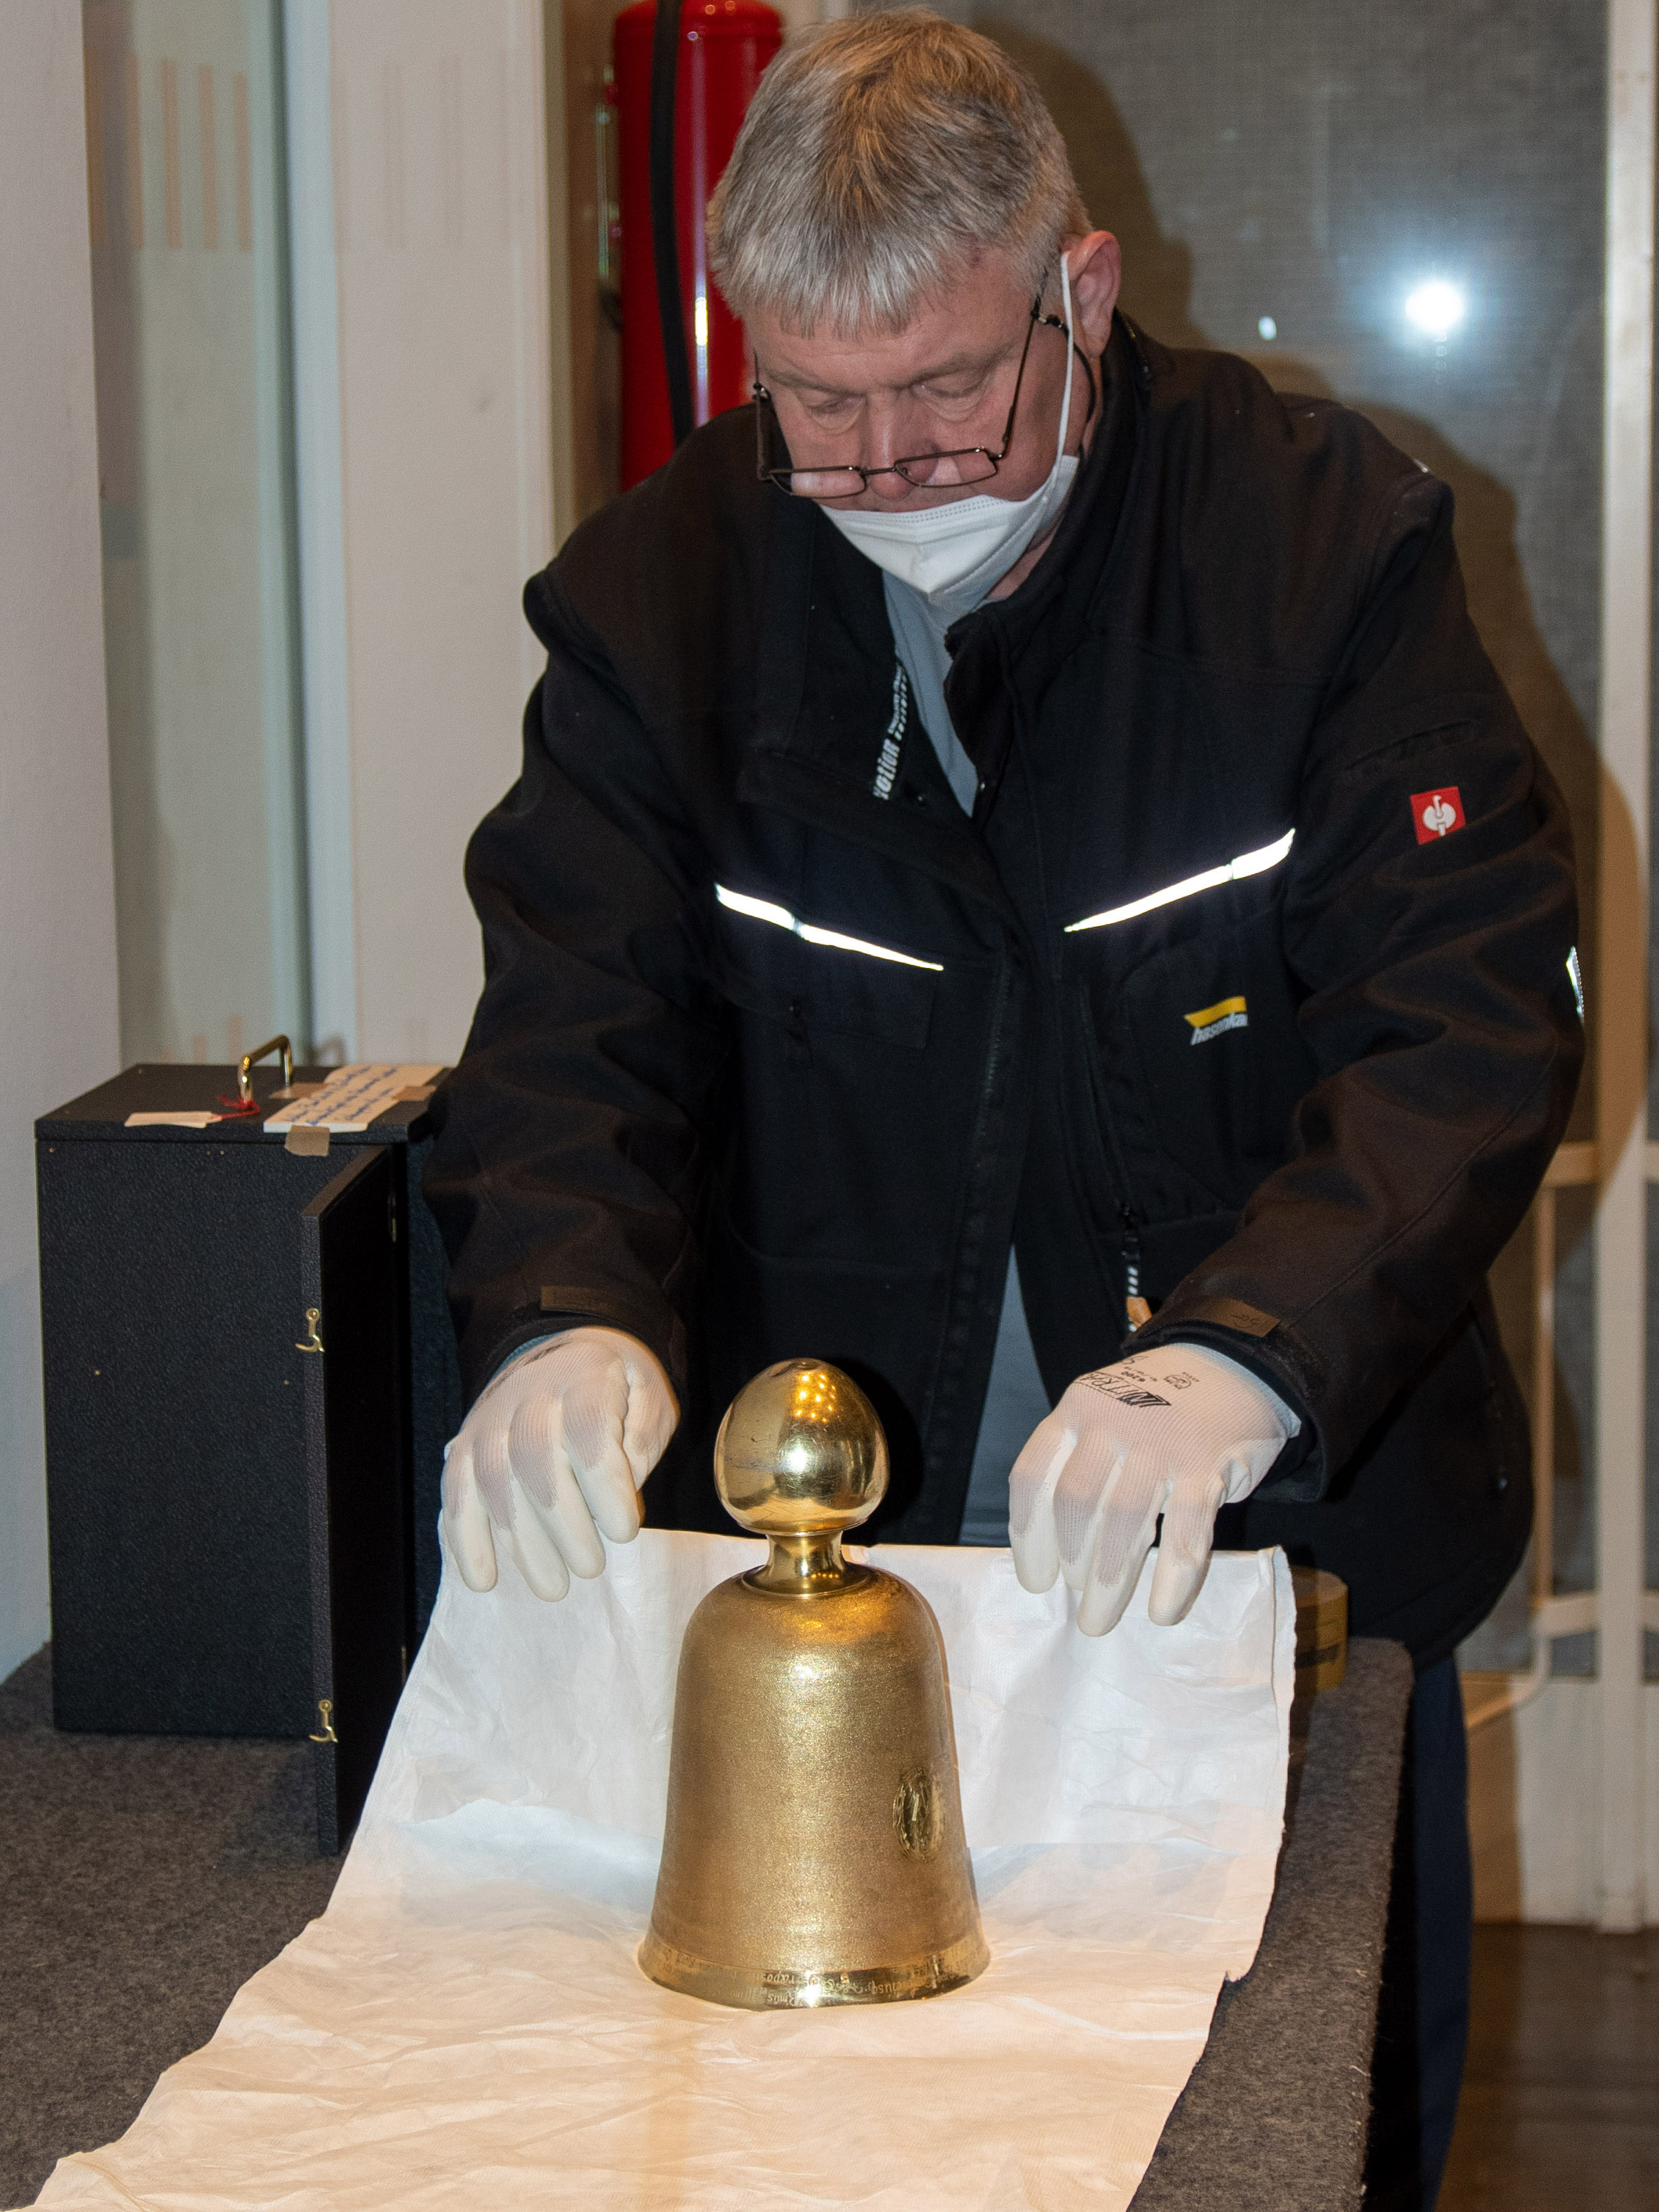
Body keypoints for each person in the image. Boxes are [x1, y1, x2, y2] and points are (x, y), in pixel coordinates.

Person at [423, 13, 1581, 2206]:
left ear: (1085, 289)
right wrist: (562, 1304)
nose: (886, 468)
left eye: (946, 387)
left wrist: (1256, 1353)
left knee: (1290, 2128)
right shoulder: (670, 597)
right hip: (854, 1567)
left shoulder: (1319, 551)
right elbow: (574, 1012)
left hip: (1283, 1557)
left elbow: (1471, 1011)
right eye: (818, 407)